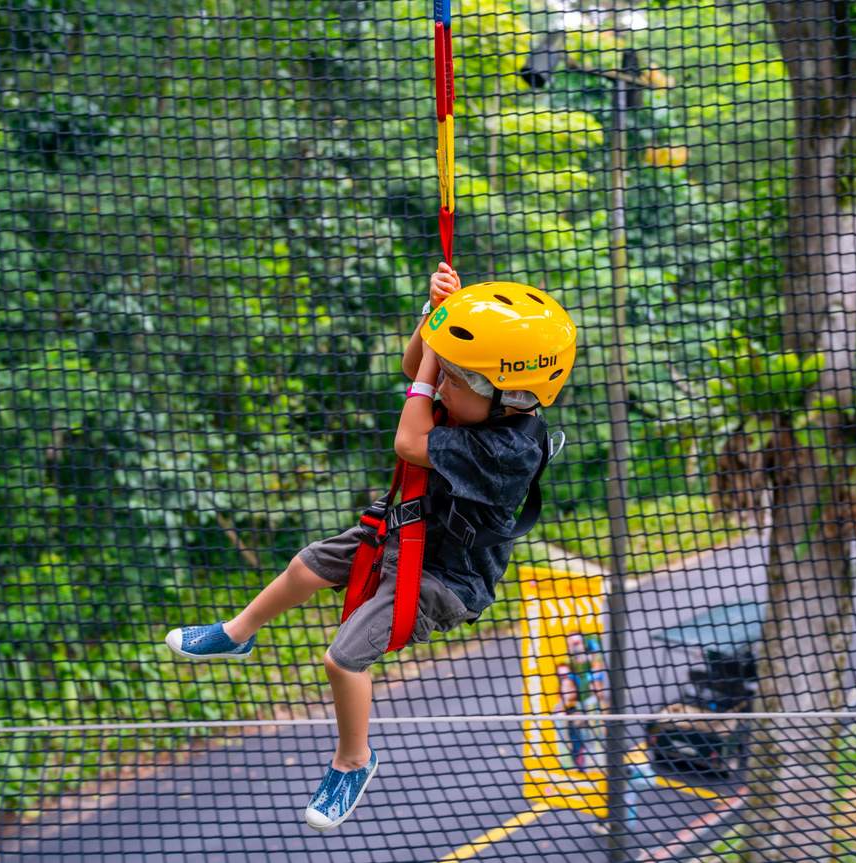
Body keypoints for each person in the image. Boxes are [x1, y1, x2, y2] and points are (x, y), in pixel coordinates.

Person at [163, 261, 577, 831]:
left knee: (343, 658)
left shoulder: (510, 448)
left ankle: (353, 760)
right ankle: (236, 635)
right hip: (404, 531)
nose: (442, 386)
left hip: (444, 579)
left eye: (458, 380)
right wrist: (434, 320)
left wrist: (437, 354)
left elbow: (410, 439)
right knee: (307, 564)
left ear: (512, 395)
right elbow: (417, 367)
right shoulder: (480, 403)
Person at [555, 632, 607, 770]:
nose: (576, 648)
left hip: (592, 709)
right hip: (576, 711)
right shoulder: (568, 668)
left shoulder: (592, 663)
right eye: (572, 645)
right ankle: (579, 762)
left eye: (577, 644)